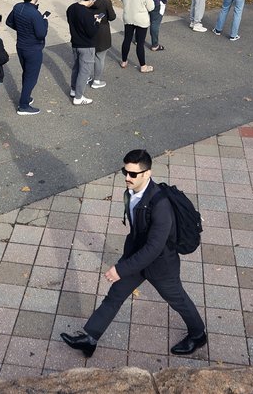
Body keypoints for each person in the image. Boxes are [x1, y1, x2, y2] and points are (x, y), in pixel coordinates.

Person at [60, 149, 207, 358]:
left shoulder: (161, 206)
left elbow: (154, 248)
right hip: (137, 257)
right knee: (115, 295)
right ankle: (90, 338)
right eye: (125, 172)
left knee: (178, 300)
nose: (127, 178)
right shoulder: (132, 192)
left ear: (147, 173)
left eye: (133, 174)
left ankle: (198, 334)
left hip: (161, 265)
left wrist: (121, 269)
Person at [5, 0, 48, 116]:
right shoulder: (35, 14)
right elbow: (41, 34)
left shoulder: (18, 7)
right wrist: (45, 21)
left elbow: (9, 22)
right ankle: (23, 105)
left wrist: (23, 29)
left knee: (27, 73)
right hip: (33, 50)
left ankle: (26, 96)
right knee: (31, 77)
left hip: (21, 47)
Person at [66, 0, 103, 105]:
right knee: (84, 72)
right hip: (86, 46)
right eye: (94, 0)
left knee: (76, 68)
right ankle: (79, 97)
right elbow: (91, 32)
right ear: (91, 0)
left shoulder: (71, 8)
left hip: (75, 43)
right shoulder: (86, 14)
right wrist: (97, 22)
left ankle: (73, 89)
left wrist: (92, 17)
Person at [119, 0, 154, 73]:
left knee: (127, 39)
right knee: (140, 43)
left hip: (128, 17)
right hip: (141, 19)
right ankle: (143, 66)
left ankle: (124, 61)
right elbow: (151, 7)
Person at [88, 0, 115, 89]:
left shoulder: (87, 0)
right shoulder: (106, 2)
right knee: (100, 57)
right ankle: (96, 80)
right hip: (102, 32)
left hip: (89, 30)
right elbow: (112, 17)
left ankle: (85, 77)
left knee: (88, 56)